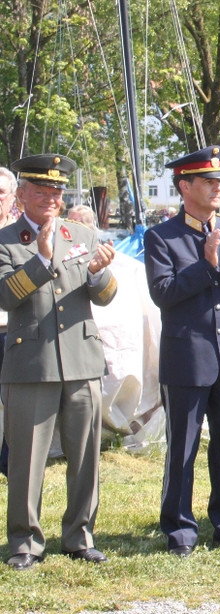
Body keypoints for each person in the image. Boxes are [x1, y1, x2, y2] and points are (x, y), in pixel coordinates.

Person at [0, 153, 117, 570]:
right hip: (31, 364)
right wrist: (42, 259)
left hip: (81, 360)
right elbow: (5, 295)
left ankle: (80, 536)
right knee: (26, 459)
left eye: (57, 191)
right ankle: (25, 543)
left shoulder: (82, 234)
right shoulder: (6, 239)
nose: (51, 198)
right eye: (42, 190)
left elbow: (104, 295)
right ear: (23, 195)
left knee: (86, 457)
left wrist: (101, 273)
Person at [144, 145, 220, 557]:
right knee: (183, 449)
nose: (216, 189)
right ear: (184, 186)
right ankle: (179, 531)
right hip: (187, 359)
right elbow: (164, 293)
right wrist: (208, 265)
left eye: (219, 182)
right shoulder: (161, 236)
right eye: (208, 183)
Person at [0, 165, 19, 479]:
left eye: (1, 193)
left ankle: (9, 462)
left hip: (14, 330)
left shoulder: (22, 234)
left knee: (16, 403)